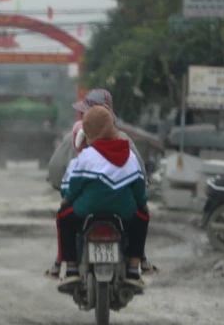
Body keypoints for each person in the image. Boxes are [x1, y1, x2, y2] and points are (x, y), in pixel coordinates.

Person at [50, 105, 150, 285]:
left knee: (63, 219)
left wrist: (67, 199)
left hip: (87, 210)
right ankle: (134, 268)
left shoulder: (86, 157)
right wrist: (142, 203)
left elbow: (70, 188)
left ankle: (71, 268)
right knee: (142, 218)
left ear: (88, 130)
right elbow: (139, 188)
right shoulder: (129, 156)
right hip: (123, 211)